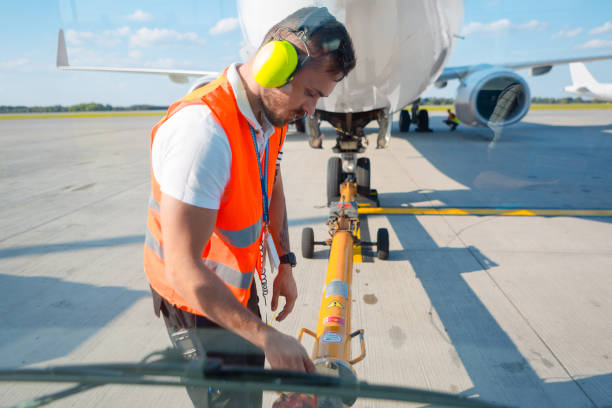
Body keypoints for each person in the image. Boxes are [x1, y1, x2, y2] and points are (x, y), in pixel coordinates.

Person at [143, 7, 356, 407]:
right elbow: (183, 268)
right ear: (274, 66)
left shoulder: (268, 119)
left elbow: (271, 186)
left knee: (252, 393)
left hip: (234, 292)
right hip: (195, 305)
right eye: (310, 92)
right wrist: (266, 335)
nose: (311, 110)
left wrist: (286, 263)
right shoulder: (203, 133)